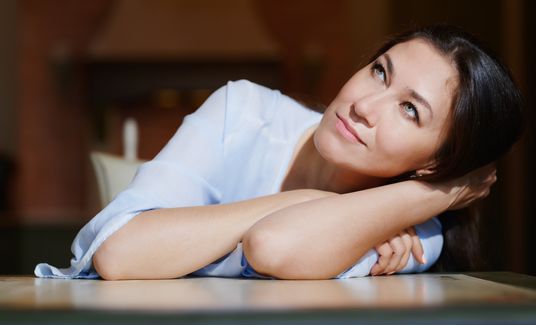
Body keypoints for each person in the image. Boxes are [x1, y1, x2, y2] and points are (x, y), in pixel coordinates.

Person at [35, 24, 524, 280]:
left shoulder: (414, 225)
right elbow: (120, 253)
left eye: (410, 110)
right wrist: (305, 201)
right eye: (380, 71)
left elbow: (274, 248)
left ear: (434, 164)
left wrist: (435, 197)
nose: (364, 106)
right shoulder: (244, 111)